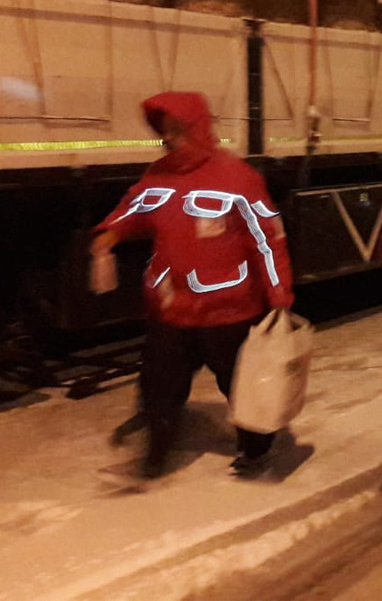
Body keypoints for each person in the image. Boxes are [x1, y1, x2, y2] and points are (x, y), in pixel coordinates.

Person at [90, 91, 294, 480]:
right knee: (158, 385)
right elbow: (133, 210)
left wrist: (278, 292)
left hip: (229, 310)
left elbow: (268, 239)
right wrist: (110, 234)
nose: (170, 138)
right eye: (165, 131)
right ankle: (155, 454)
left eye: (177, 129)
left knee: (242, 387)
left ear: (197, 128)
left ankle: (256, 448)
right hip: (172, 308)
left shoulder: (237, 177)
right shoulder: (158, 175)